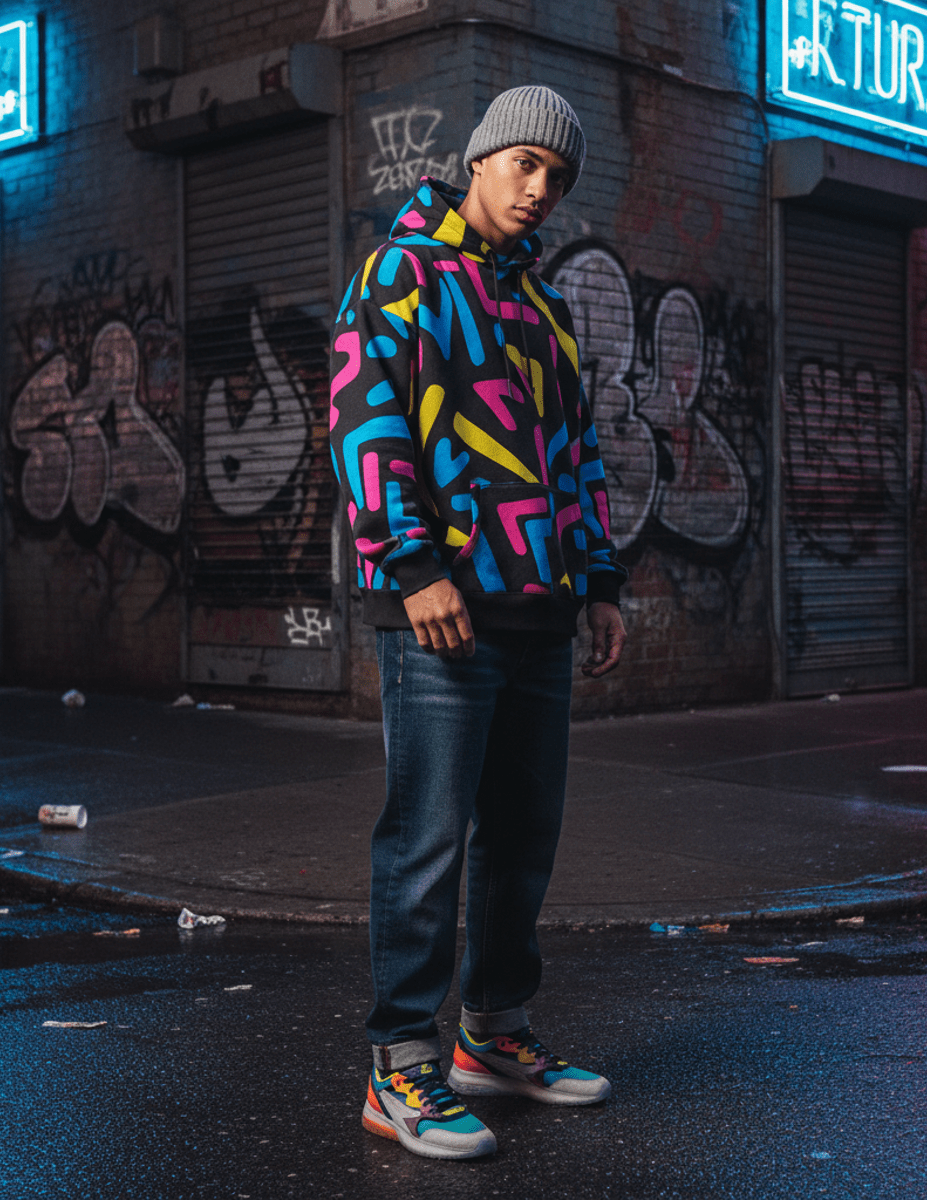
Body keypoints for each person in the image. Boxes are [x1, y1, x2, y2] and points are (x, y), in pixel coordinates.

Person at [327, 85, 627, 1160]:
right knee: (427, 842)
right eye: (526, 165)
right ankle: (400, 1068)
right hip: (442, 615)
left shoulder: (546, 314)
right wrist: (410, 565)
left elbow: (578, 457)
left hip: (542, 613)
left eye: (558, 177)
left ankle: (493, 1038)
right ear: (482, 159)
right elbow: (366, 420)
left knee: (522, 841)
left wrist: (598, 581)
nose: (540, 190)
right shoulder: (402, 271)